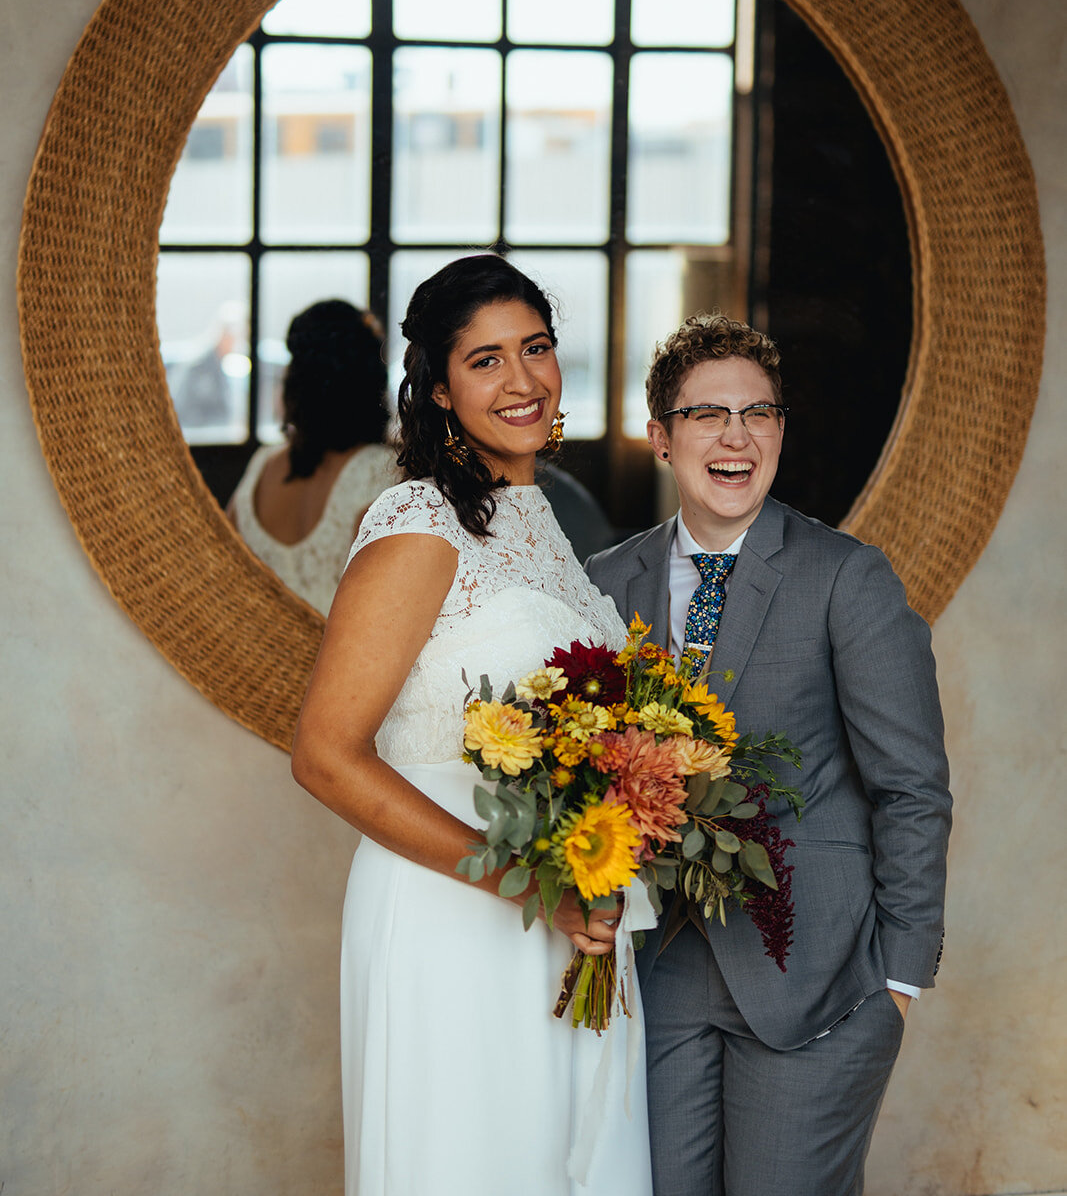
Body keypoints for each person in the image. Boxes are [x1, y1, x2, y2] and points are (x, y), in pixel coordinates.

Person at [291, 255, 653, 1196]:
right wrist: (532, 889)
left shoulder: (538, 521)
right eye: (485, 360)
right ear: (440, 390)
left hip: (565, 910)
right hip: (451, 912)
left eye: (535, 348)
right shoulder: (418, 523)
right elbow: (325, 758)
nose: (523, 380)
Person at [585, 313, 951, 1196]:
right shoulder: (602, 585)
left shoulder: (845, 576)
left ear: (781, 430)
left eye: (760, 413)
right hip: (655, 979)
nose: (736, 436)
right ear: (660, 434)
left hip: (818, 980)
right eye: (707, 414)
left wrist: (897, 979)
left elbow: (911, 788)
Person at [228, 300, 398, 615]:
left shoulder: (262, 466)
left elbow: (224, 571)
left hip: (255, 658)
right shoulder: (380, 473)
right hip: (340, 660)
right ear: (370, 381)